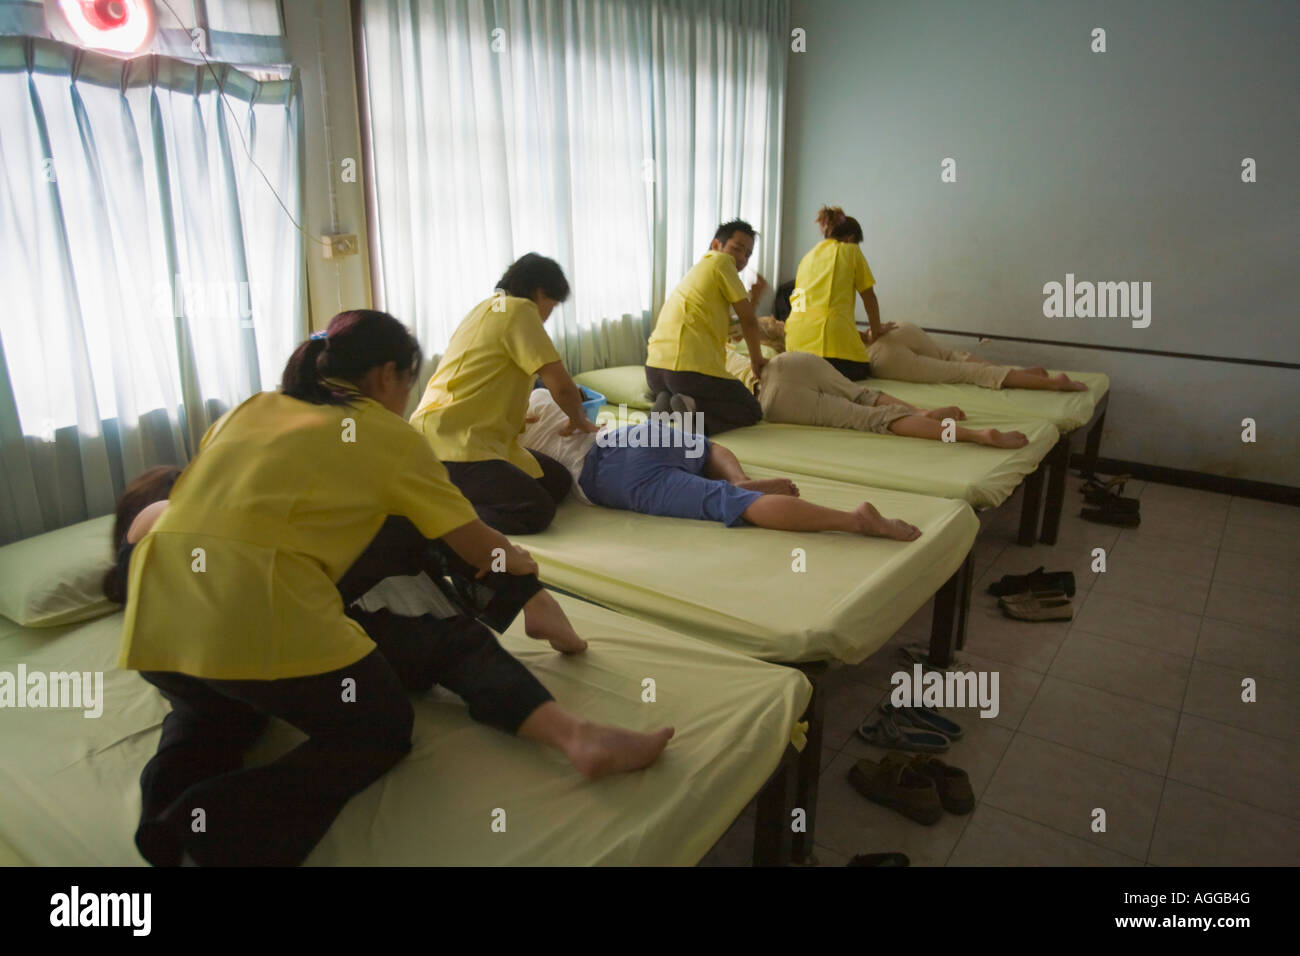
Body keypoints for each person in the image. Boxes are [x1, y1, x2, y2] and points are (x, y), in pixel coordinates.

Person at [115, 310, 672, 867]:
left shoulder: (250, 409)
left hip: (157, 619)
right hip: (260, 613)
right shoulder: (384, 436)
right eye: (408, 381)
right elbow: (480, 547)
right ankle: (211, 835)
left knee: (213, 718)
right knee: (376, 729)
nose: (406, 397)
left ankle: (166, 828)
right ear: (387, 376)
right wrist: (524, 572)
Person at [521, 390, 921, 541]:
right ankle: (742, 478)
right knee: (705, 446)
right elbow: (583, 403)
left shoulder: (499, 436)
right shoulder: (540, 395)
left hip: (607, 476)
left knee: (726, 502)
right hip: (626, 435)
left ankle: (853, 520)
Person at [788, 206, 1087, 391]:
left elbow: (806, 314)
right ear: (852, 237)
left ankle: (1043, 382)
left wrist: (867, 334)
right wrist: (875, 330)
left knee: (959, 372)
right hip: (887, 333)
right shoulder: (850, 251)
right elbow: (868, 297)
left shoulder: (806, 260)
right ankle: (1018, 373)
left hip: (860, 353)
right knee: (951, 356)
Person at [410, 254, 599, 534]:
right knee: (535, 510)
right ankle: (435, 512)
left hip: (457, 435)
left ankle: (447, 493)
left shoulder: (485, 309)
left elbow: (482, 375)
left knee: (557, 482)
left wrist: (514, 414)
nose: (548, 315)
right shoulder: (520, 310)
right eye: (553, 305)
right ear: (539, 292)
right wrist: (579, 420)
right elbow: (559, 385)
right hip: (451, 444)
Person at [724, 321, 1029, 449]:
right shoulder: (747, 341)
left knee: (870, 420)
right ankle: (921, 412)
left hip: (773, 392)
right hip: (794, 361)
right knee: (865, 395)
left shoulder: (704, 356)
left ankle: (976, 436)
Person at [644, 220, 769, 435]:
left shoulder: (698, 273)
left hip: (655, 371)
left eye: (748, 254)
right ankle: (693, 411)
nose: (742, 258)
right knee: (752, 410)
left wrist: (754, 300)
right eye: (737, 248)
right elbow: (748, 321)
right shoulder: (722, 262)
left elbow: (731, 326)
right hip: (688, 372)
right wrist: (756, 361)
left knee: (678, 391)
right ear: (716, 245)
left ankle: (666, 402)